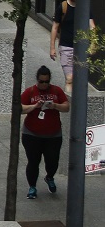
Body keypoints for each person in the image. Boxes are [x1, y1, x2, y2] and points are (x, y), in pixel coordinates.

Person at [19, 66, 68, 199]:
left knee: (52, 160)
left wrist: (55, 106)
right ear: (37, 80)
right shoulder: (30, 92)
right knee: (33, 161)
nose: (44, 84)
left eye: (46, 82)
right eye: (41, 81)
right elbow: (20, 108)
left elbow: (66, 106)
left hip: (53, 134)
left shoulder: (56, 90)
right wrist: (34, 106)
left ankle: (49, 176)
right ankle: (32, 187)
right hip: (32, 134)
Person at [50, 0, 94, 88]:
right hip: (66, 46)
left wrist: (93, 44)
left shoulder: (84, 7)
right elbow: (55, 27)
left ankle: (77, 103)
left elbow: (92, 26)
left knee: (79, 79)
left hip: (82, 48)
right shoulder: (63, 7)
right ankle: (70, 102)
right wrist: (52, 48)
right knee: (69, 78)